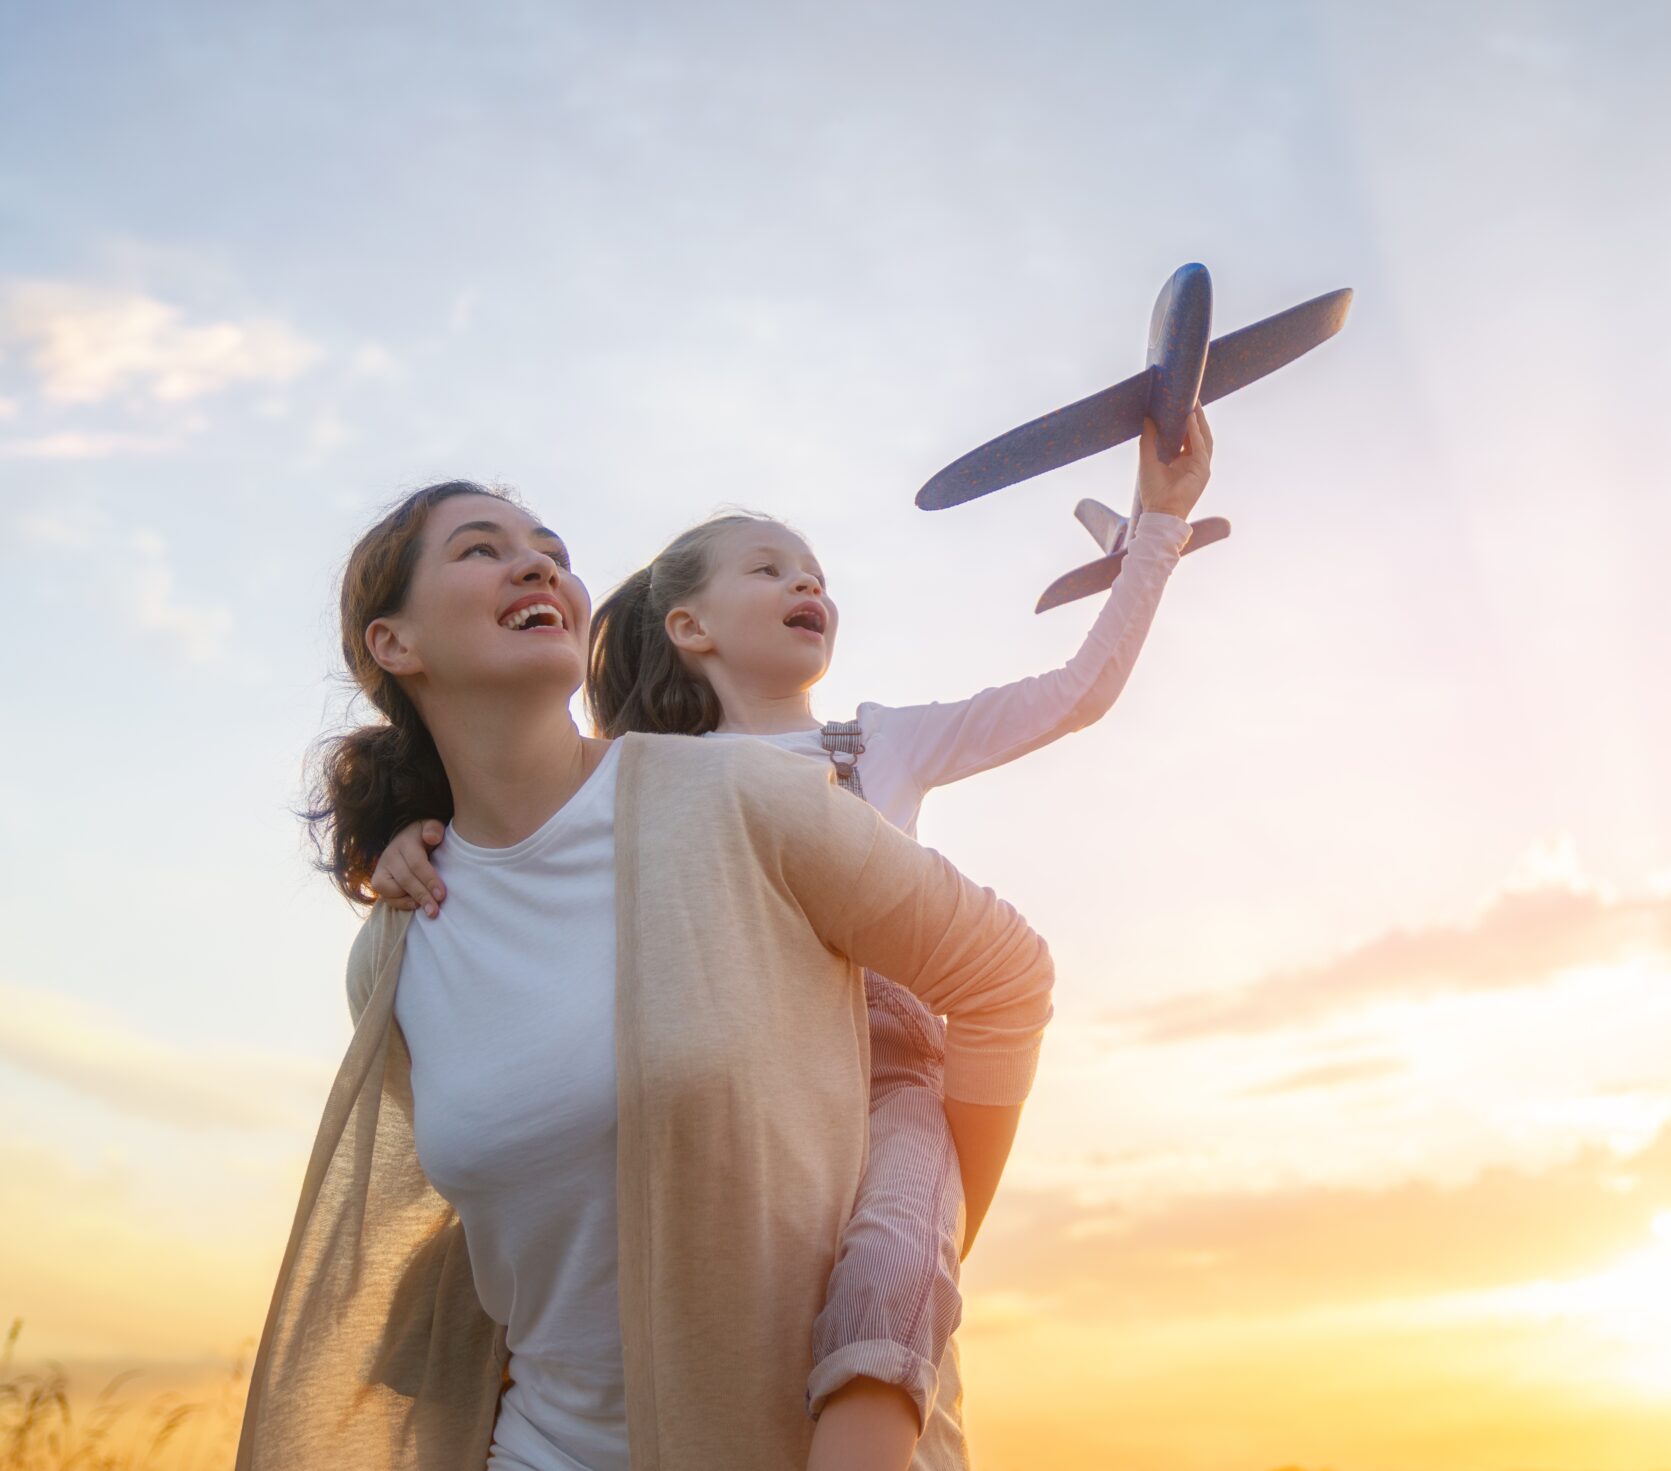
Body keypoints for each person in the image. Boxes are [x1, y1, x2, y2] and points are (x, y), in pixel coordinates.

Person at [366, 410, 1214, 1469]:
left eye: (814, 572)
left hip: (892, 1054)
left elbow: (1074, 696)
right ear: (689, 626)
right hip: (740, 1062)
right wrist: (404, 836)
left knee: (893, 1257)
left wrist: (1158, 533)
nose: (809, 585)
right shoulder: (651, 790)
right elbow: (524, 823)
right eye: (769, 568)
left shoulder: (866, 743)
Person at [238, 479, 1056, 1471]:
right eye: (481, 549)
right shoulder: (397, 948)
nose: (537, 563)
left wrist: (920, 1242)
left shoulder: (741, 800)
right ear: (394, 645)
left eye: (549, 548)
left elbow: (1004, 977)